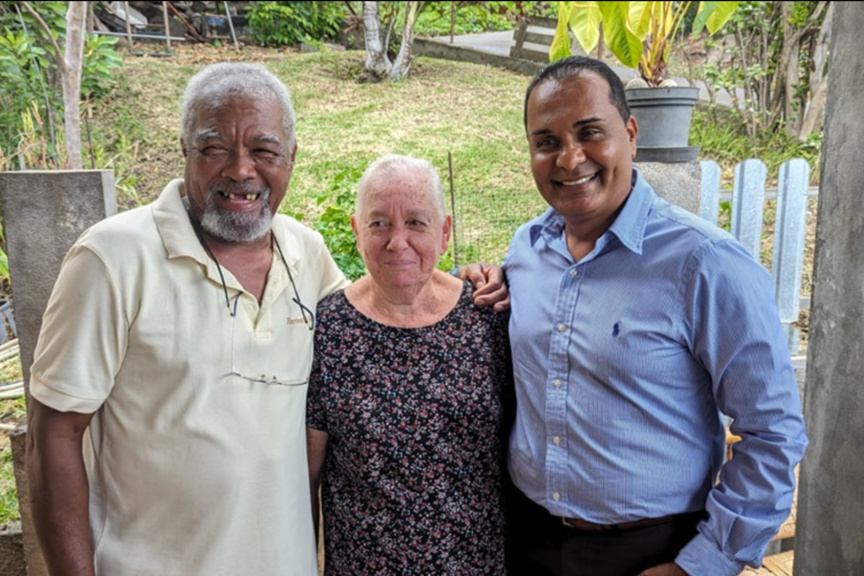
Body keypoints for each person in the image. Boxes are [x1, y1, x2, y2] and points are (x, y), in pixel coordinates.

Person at [25, 63, 504, 576]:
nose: (240, 169)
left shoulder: (306, 253)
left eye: (264, 150)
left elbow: (388, 303)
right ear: (184, 149)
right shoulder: (111, 259)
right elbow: (54, 432)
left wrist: (469, 280)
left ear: (291, 158)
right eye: (214, 148)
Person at [503, 56, 808, 576]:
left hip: (655, 552)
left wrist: (703, 564)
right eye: (546, 141)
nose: (570, 158)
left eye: (590, 133)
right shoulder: (526, 251)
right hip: (528, 539)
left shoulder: (706, 264)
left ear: (630, 133)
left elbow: (773, 431)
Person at [306, 154, 514, 575]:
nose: (396, 242)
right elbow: (306, 480)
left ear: (444, 232)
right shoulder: (326, 329)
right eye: (379, 223)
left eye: (416, 223)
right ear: (355, 231)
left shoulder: (488, 315)